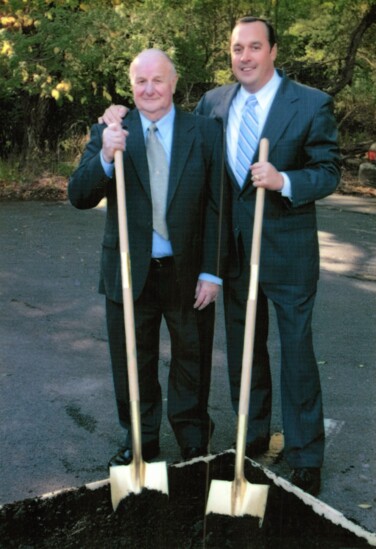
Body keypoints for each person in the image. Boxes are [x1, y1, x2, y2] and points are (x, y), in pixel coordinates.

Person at [100, 16, 341, 495]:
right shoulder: (214, 102)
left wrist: (286, 181)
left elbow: (329, 170)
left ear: (273, 51)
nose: (245, 57)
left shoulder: (311, 103)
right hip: (228, 252)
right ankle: (251, 438)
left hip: (286, 251)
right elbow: (174, 135)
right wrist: (115, 115)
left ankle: (306, 454)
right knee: (243, 354)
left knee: (295, 353)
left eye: (254, 47)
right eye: (237, 48)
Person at [69, 48, 228, 467]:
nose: (149, 88)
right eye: (140, 81)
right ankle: (140, 438)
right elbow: (79, 196)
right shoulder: (111, 131)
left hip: (187, 270)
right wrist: (105, 154)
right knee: (132, 361)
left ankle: (193, 437)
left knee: (192, 356)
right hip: (128, 269)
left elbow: (218, 207)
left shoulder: (205, 132)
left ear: (174, 84)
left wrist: (213, 271)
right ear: (131, 86)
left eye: (158, 80)